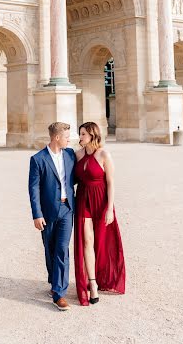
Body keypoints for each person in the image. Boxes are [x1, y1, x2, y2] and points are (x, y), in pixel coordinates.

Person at [74, 121, 126, 306]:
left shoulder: (104, 154)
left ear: (93, 135)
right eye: (80, 134)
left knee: (103, 242)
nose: (80, 137)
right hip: (83, 199)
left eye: (83, 134)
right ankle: (92, 283)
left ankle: (104, 276)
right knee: (87, 241)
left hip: (101, 200)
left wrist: (110, 208)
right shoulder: (77, 155)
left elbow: (111, 182)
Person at [28, 122, 76, 311]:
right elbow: (33, 189)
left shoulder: (71, 154)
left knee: (62, 249)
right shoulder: (38, 159)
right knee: (50, 249)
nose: (69, 140)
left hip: (67, 209)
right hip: (47, 212)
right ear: (57, 138)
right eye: (66, 137)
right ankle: (53, 280)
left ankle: (59, 293)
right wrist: (37, 214)